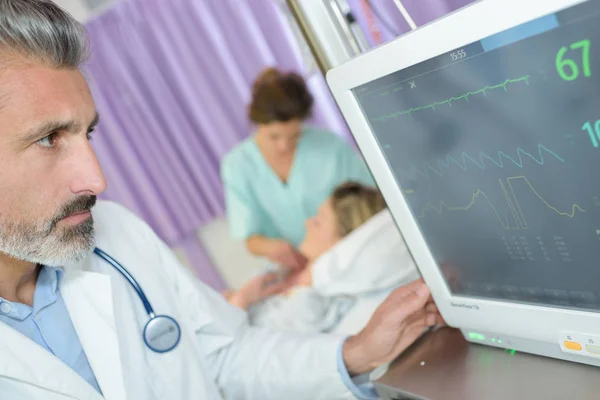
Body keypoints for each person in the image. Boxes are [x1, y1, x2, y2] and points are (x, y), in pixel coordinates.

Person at [0, 2, 442, 399]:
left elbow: (228, 356)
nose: (97, 180)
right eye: (48, 139)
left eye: (88, 133)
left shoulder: (119, 235)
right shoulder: (240, 165)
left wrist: (356, 352)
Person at [221, 67, 374, 270]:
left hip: (346, 257)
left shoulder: (330, 148)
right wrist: (271, 248)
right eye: (273, 137)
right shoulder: (238, 165)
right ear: (256, 122)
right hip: (292, 268)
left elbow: (370, 206)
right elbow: (251, 238)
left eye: (294, 136)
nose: (283, 146)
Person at [228, 182, 417, 335]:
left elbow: (251, 348)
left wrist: (240, 301)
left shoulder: (314, 299)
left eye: (318, 221)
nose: (307, 223)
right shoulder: (287, 270)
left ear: (343, 243)